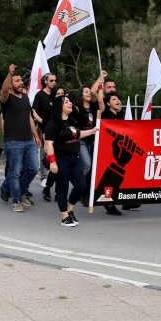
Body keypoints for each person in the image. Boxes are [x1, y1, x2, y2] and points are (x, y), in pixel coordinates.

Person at [45, 95, 97, 226]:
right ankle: (64, 217)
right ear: (59, 106)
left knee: (81, 187)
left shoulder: (71, 121)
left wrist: (92, 131)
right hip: (61, 160)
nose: (70, 104)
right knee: (62, 189)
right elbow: (48, 144)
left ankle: (70, 210)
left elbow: (78, 134)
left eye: (70, 101)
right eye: (66, 102)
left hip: (74, 158)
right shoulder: (53, 124)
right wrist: (52, 162)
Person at [0, 63, 41, 213]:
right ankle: (16, 200)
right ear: (11, 84)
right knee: (15, 172)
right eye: (16, 81)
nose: (20, 83)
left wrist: (35, 136)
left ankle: (16, 190)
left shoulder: (24, 98)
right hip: (13, 142)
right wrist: (9, 74)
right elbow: (4, 89)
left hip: (28, 140)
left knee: (33, 169)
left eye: (20, 80)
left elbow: (29, 117)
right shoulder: (6, 98)